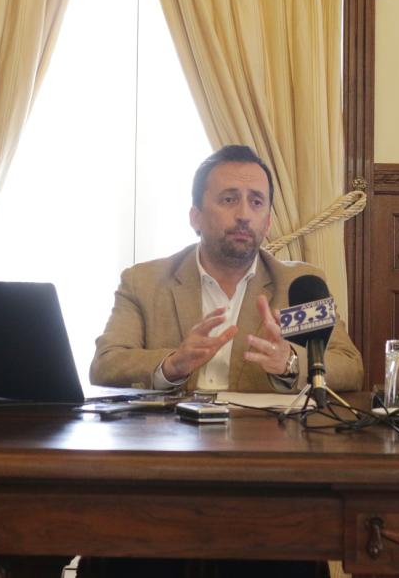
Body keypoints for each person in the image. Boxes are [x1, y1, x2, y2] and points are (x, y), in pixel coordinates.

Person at [90, 144, 363, 396]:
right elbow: (106, 365)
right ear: (195, 217)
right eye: (229, 200)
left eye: (256, 202)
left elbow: (350, 368)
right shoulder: (145, 282)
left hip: (262, 438)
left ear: (267, 223)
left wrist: (290, 362)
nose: (244, 215)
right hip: (173, 439)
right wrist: (172, 364)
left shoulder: (296, 285)